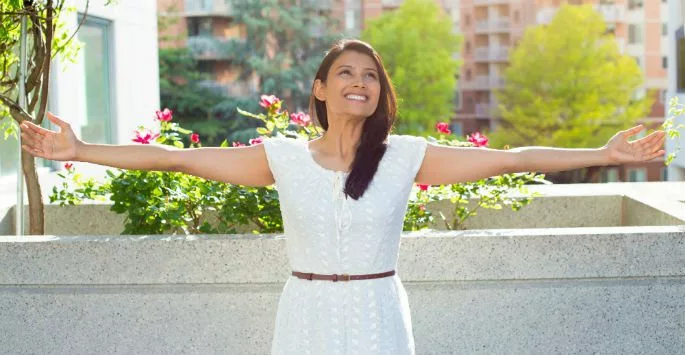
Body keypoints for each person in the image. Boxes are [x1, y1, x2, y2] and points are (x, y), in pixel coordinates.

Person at [19, 39, 666, 354]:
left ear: (380, 93)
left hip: (378, 311)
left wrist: (605, 154)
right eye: (345, 73)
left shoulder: (405, 156)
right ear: (321, 90)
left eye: (370, 76)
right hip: (304, 313)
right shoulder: (282, 159)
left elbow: (513, 158)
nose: (360, 82)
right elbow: (173, 156)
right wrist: (79, 151)